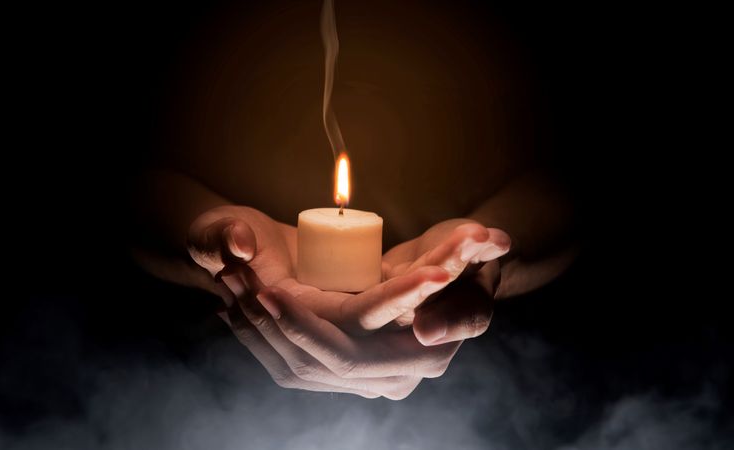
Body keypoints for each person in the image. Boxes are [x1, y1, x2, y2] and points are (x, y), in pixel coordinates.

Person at [130, 0, 576, 399]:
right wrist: (213, 250)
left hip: (517, 375)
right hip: (185, 366)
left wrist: (482, 263)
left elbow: (573, 181)